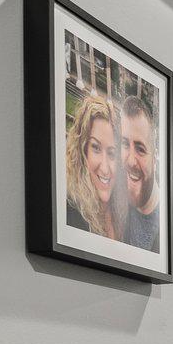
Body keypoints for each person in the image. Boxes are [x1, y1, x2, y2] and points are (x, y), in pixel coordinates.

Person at [63, 93, 118, 240]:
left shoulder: (124, 213)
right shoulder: (69, 212)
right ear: (83, 150)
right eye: (96, 148)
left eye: (112, 153)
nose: (105, 168)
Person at [114, 95, 161, 252]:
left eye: (140, 149)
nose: (131, 161)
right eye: (125, 144)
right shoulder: (112, 193)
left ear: (154, 158)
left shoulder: (164, 226)